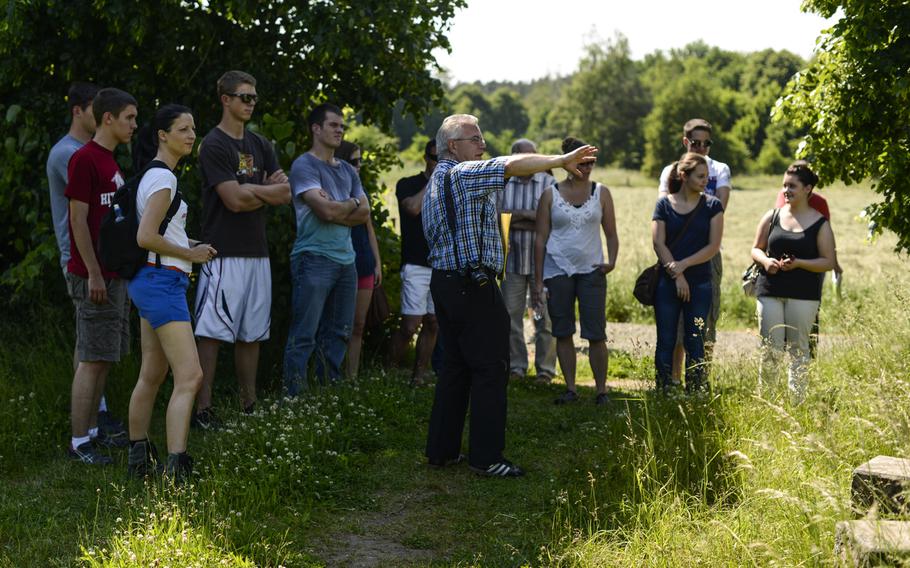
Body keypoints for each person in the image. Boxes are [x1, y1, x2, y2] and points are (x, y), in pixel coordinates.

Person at [422, 114, 597, 478]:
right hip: (472, 286)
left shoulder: (438, 178)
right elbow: (511, 165)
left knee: (455, 368)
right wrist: (559, 161)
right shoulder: (461, 174)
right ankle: (486, 458)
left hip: (446, 282)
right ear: (453, 146)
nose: (483, 145)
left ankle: (442, 450)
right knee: (491, 368)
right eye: (475, 139)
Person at [193, 70, 290, 428]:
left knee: (252, 333)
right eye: (244, 97)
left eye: (254, 97)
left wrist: (254, 191)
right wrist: (263, 191)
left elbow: (286, 193)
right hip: (222, 253)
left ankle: (249, 405)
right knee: (212, 334)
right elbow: (232, 201)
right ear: (226, 99)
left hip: (257, 253)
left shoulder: (260, 144)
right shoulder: (214, 144)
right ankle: (203, 410)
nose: (250, 103)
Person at [125, 105, 216, 481]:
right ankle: (176, 468)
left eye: (193, 128)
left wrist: (187, 243)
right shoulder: (164, 180)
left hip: (152, 278)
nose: (191, 135)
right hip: (162, 283)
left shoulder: (153, 175)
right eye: (183, 128)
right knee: (191, 376)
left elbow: (156, 235)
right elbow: (145, 236)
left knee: (152, 374)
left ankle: (138, 458)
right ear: (162, 134)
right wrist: (189, 253)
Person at [46, 82, 127, 441]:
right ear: (81, 110)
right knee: (89, 350)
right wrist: (92, 270)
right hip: (83, 263)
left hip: (107, 266)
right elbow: (81, 217)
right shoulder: (73, 155)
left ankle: (96, 423)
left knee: (99, 350)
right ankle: (83, 435)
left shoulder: (103, 155)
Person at [64, 87, 138, 464]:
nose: (134, 125)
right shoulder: (85, 159)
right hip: (94, 277)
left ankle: (93, 431)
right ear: (106, 117)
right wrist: (93, 273)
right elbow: (77, 220)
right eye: (129, 118)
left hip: (114, 276)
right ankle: (79, 443)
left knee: (104, 356)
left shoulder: (111, 161)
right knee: (91, 359)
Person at [284, 103, 369, 394]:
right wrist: (349, 204)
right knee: (304, 335)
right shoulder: (304, 166)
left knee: (339, 335)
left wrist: (340, 205)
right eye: (333, 125)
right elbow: (325, 213)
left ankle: (326, 396)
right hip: (313, 258)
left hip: (347, 262)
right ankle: (294, 400)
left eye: (342, 126)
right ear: (316, 128)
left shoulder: (347, 169)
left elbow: (364, 213)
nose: (340, 131)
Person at [533, 137, 618, 405]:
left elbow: (612, 234)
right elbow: (539, 239)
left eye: (592, 162)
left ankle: (601, 390)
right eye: (583, 161)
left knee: (596, 332)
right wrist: (537, 281)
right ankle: (571, 388)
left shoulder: (601, 192)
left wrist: (612, 261)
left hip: (592, 270)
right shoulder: (550, 194)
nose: (588, 167)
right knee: (562, 330)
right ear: (568, 162)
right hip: (556, 270)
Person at [751, 162, 835, 404]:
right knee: (771, 350)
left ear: (808, 188)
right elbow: (755, 249)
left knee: (799, 351)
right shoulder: (772, 215)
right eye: (784, 185)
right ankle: (766, 403)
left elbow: (828, 261)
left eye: (792, 186)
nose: (786, 190)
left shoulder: (820, 223)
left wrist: (800, 264)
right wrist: (766, 262)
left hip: (804, 295)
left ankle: (797, 405)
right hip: (769, 290)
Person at [658, 119, 731, 382]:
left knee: (705, 323)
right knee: (673, 327)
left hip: (706, 254)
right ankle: (675, 380)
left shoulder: (720, 169)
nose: (702, 148)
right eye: (696, 142)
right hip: (674, 256)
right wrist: (676, 266)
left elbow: (719, 206)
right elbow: (664, 211)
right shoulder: (670, 170)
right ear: (685, 142)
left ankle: (700, 380)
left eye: (707, 143)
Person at [498, 139, 557, 384]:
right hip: (510, 262)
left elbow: (550, 220)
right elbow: (497, 218)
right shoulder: (502, 182)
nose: (532, 162)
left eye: (535, 157)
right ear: (514, 159)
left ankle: (545, 370)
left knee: (544, 317)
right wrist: (532, 218)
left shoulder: (549, 183)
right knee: (510, 318)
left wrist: (516, 218)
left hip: (542, 263)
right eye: (526, 158)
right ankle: (516, 367)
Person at [389, 140, 439, 385]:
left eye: (443, 160)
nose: (438, 163)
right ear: (425, 157)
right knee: (410, 325)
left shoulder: (451, 188)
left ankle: (419, 375)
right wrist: (434, 181)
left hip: (441, 264)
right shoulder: (408, 184)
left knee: (433, 322)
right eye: (434, 158)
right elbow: (413, 208)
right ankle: (389, 370)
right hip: (415, 264)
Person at [335, 140, 382, 378]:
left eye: (361, 161)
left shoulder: (359, 189)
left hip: (363, 260)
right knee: (338, 325)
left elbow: (369, 227)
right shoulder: (331, 187)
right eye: (355, 161)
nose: (359, 166)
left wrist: (377, 262)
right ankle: (330, 376)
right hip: (339, 260)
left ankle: (351, 377)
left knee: (358, 325)